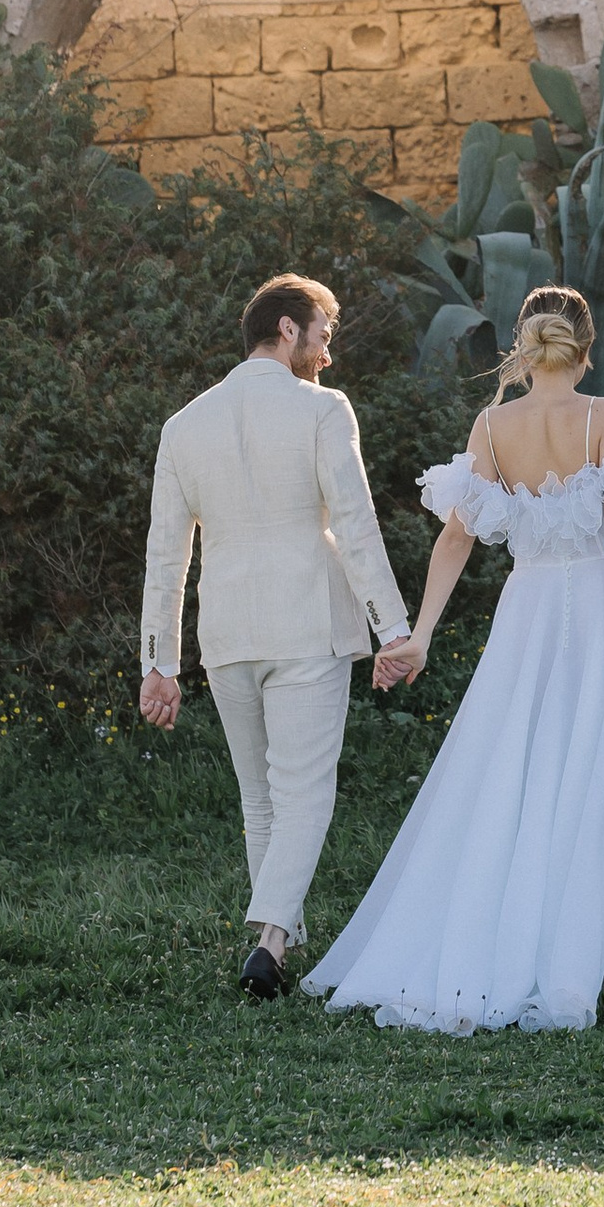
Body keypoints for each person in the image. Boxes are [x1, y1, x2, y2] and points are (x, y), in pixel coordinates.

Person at [301, 283, 604, 1033]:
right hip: (601, 616)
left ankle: (544, 939)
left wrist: (421, 631)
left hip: (528, 616)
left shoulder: (492, 424)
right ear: (584, 346)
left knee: (512, 770)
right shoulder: (603, 417)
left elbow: (455, 538)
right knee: (588, 777)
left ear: (523, 342)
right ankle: (565, 954)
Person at [140, 273, 413, 1000]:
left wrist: (160, 662)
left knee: (259, 798)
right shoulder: (323, 411)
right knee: (304, 793)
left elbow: (167, 555)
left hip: (226, 631)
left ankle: (275, 947)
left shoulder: (184, 424)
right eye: (322, 333)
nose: (327, 351)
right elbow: (354, 524)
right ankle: (270, 937)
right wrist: (395, 630)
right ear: (287, 330)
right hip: (306, 626)